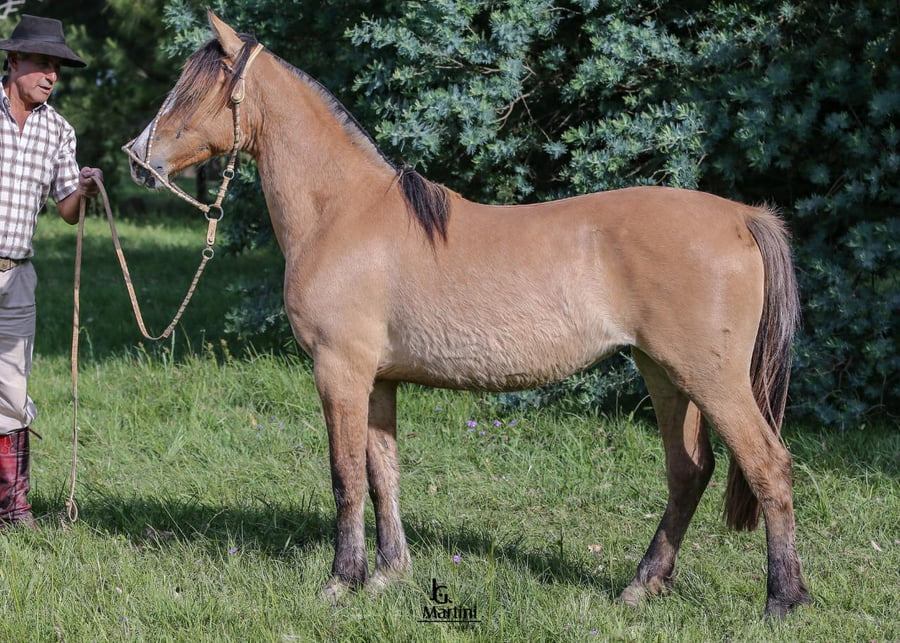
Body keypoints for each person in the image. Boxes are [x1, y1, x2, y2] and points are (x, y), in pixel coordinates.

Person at [0, 14, 102, 528]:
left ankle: (13, 507)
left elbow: (65, 209)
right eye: (41, 63)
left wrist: (83, 191)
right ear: (13, 61)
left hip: (18, 275)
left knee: (12, 390)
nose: (50, 76)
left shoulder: (59, 130)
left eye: (56, 68)